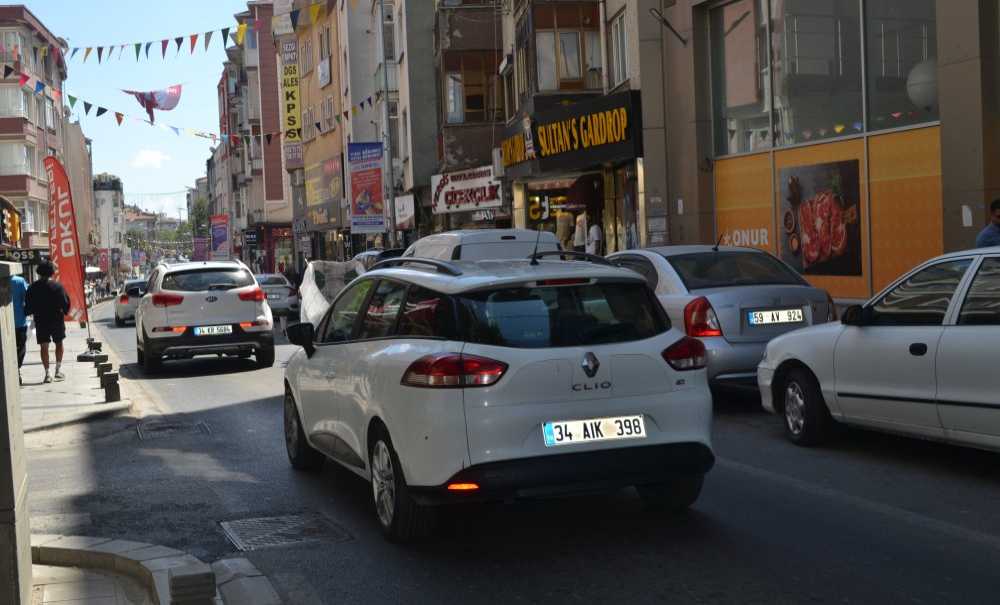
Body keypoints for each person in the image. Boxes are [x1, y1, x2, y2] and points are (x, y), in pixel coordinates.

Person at [24, 261, 70, 384]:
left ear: (38, 272)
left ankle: (47, 373)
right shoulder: (58, 286)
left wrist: (31, 311)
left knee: (44, 346)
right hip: (56, 319)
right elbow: (65, 304)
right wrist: (65, 310)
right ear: (52, 273)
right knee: (59, 343)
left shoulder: (32, 287)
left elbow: (28, 307)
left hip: (41, 320)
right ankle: (58, 370)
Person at [10, 273, 28, 386]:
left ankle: (13, 370)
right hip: (19, 322)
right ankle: (17, 369)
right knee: (20, 348)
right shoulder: (20, 281)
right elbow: (28, 298)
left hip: (4, 323)